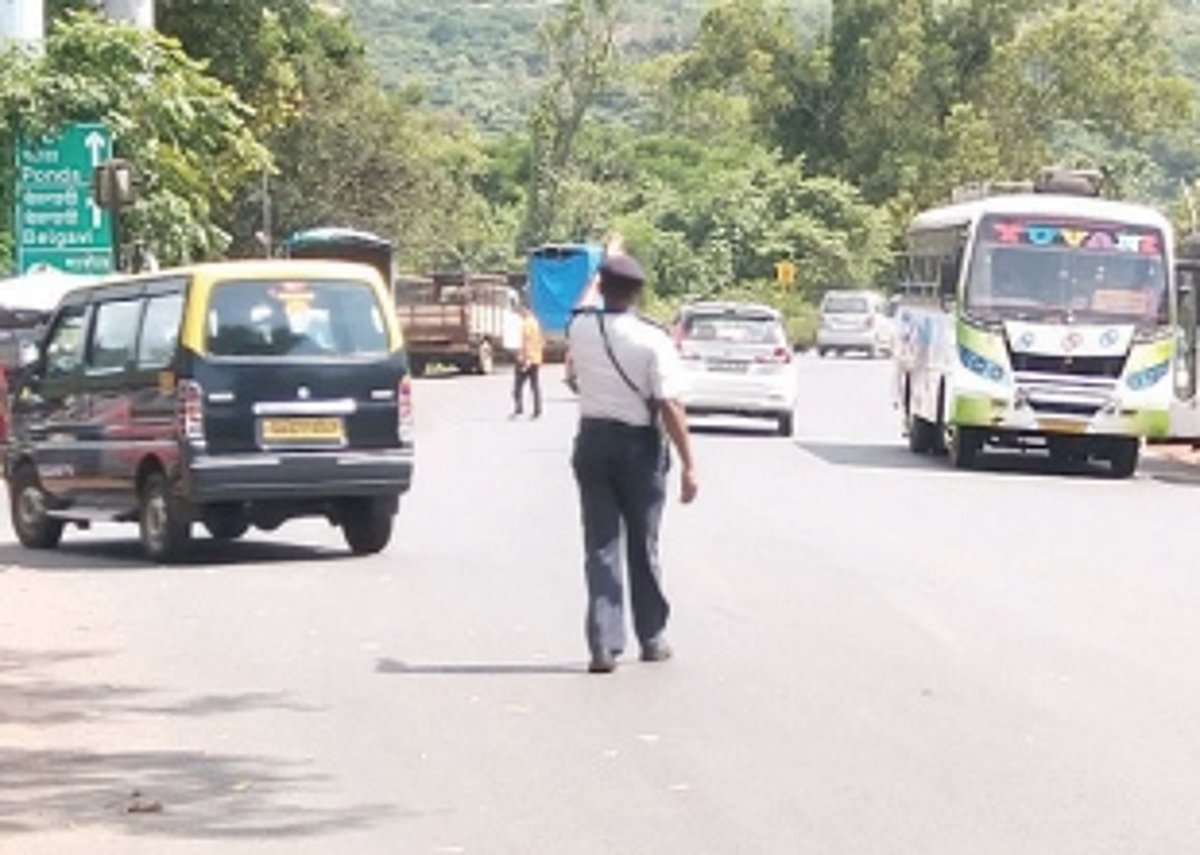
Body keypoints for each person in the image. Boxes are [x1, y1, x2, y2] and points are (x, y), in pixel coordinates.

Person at [565, 252, 698, 674]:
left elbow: (584, 299)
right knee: (644, 544)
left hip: (592, 441)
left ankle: (603, 645)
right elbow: (669, 405)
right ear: (638, 292)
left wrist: (605, 256)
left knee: (601, 546)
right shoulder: (651, 339)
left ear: (601, 286)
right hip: (639, 447)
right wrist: (690, 463)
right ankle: (652, 636)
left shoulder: (581, 328)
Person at [513, 306, 544, 418]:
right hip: (536, 358)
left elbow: (526, 343)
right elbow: (540, 342)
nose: (520, 314)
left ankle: (519, 408)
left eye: (521, 311)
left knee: (517, 386)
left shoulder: (526, 325)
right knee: (534, 385)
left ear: (526, 311)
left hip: (526, 359)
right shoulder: (536, 323)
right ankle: (537, 409)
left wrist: (526, 360)